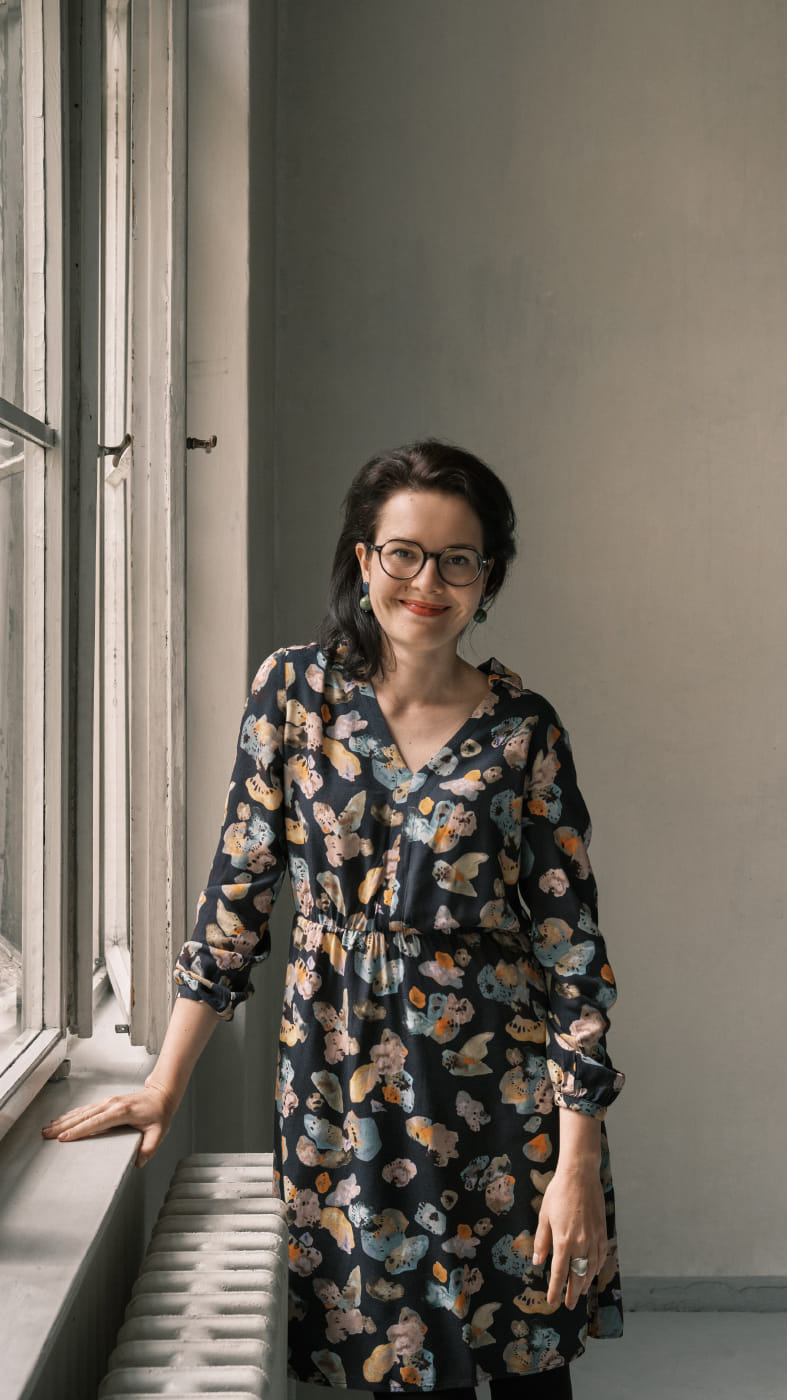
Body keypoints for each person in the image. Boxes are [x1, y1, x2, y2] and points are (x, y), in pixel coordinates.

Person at [44, 440, 625, 1398]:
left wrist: (577, 1157)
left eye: (457, 560)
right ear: (363, 560)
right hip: (344, 1095)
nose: (426, 582)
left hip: (505, 1103)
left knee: (528, 1368)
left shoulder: (525, 731)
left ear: (488, 579)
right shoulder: (294, 694)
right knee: (398, 1373)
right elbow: (236, 898)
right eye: (404, 553)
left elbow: (572, 953)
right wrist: (163, 1083)